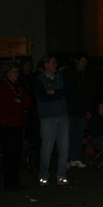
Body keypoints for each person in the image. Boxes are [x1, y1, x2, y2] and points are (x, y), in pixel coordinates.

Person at [34, 54, 70, 186]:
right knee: (47, 148)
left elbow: (66, 92)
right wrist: (57, 93)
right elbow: (43, 97)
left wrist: (52, 92)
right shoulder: (39, 79)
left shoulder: (60, 77)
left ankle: (61, 174)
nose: (56, 65)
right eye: (53, 63)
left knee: (64, 147)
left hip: (62, 115)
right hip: (48, 117)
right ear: (46, 64)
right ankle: (44, 175)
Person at [0, 62, 33, 191]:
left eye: (17, 72)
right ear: (7, 73)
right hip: (7, 125)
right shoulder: (3, 87)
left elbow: (28, 101)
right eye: (13, 72)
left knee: (17, 154)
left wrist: (20, 102)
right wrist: (19, 104)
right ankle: (9, 182)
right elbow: (7, 105)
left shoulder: (17, 87)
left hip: (17, 124)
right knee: (9, 154)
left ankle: (15, 181)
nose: (16, 74)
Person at [63, 52, 95, 169]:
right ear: (76, 61)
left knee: (78, 136)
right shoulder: (68, 73)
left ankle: (75, 158)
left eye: (86, 62)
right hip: (70, 110)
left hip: (81, 111)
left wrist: (88, 109)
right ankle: (66, 159)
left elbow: (91, 94)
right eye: (82, 61)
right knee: (68, 136)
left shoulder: (87, 76)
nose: (84, 64)